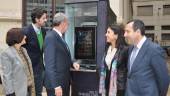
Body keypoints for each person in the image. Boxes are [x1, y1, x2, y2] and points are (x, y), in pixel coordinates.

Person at [124, 19, 170, 96]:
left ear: (138, 32)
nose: (125, 35)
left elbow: (163, 79)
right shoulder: (131, 48)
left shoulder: (154, 50)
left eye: (128, 31)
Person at [44, 12, 80, 96]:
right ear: (63, 23)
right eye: (68, 24)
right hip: (56, 85)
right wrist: (56, 86)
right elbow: (49, 65)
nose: (68, 26)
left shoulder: (59, 36)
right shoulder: (51, 37)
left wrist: (73, 63)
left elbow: (63, 56)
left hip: (63, 82)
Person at [0, 28, 35, 96]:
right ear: (17, 37)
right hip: (17, 92)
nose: (25, 36)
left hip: (29, 89)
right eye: (23, 35)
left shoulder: (24, 50)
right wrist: (11, 93)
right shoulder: (6, 53)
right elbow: (7, 76)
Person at [22, 7, 47, 96]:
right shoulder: (25, 31)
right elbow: (20, 51)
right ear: (37, 19)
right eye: (44, 18)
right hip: (29, 71)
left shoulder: (44, 31)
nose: (46, 20)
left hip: (41, 70)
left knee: (38, 93)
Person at [99, 25, 128, 96]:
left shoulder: (125, 50)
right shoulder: (107, 48)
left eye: (108, 32)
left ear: (116, 35)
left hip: (118, 87)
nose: (106, 34)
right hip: (106, 84)